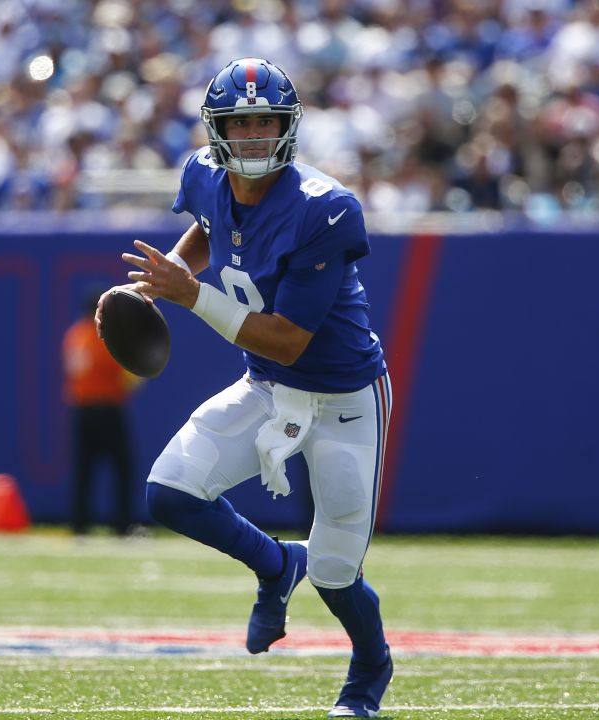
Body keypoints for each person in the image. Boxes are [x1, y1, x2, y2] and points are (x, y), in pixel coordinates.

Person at [97, 58, 395, 718]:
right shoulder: (204, 175)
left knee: (336, 570)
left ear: (288, 127)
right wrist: (166, 276)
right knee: (169, 492)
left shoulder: (325, 208)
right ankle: (273, 565)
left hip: (343, 399)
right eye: (242, 123)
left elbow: (291, 339)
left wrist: (192, 294)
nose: (256, 135)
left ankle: (369, 669)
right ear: (218, 130)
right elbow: (208, 226)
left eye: (267, 122)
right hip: (267, 386)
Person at [63, 289, 142, 536]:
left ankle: (79, 525)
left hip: (81, 410)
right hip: (106, 409)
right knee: (123, 468)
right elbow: (126, 375)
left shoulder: (74, 335)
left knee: (83, 470)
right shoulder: (103, 337)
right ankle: (122, 525)